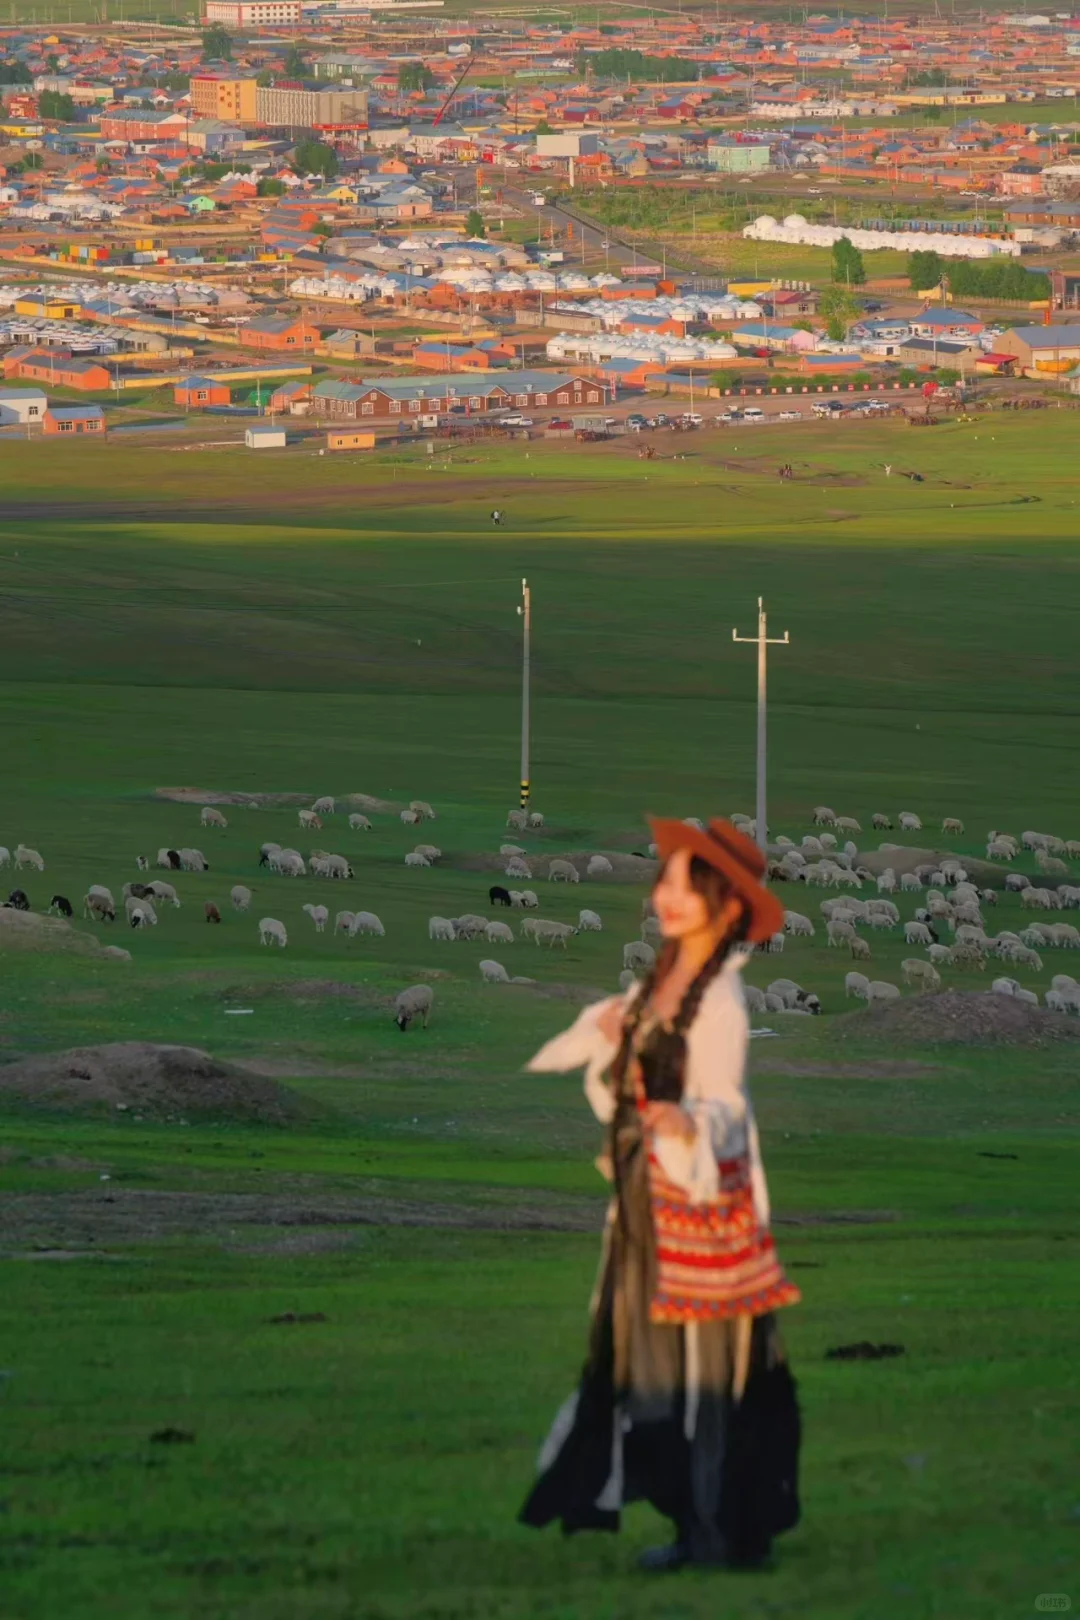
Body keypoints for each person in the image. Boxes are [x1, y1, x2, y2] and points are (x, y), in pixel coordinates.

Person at [520, 817, 801, 1574]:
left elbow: (726, 1108)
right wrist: (613, 1034)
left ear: (722, 902)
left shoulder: (721, 1003)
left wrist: (690, 1118)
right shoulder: (665, 980)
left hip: (702, 1218)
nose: (665, 897)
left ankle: (718, 1535)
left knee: (706, 1381)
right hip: (650, 1204)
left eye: (684, 884)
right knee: (651, 1374)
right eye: (664, 881)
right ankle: (701, 1524)